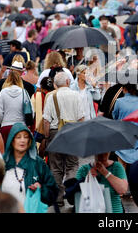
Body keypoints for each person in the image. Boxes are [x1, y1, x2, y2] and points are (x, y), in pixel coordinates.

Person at [42, 72, 84, 207]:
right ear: (67, 81)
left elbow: (46, 120)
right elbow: (81, 118)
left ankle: (58, 198)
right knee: (72, 165)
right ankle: (72, 195)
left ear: (55, 84)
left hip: (55, 133)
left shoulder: (51, 96)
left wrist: (47, 136)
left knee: (56, 167)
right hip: (72, 131)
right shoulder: (76, 95)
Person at [1, 123, 58, 207]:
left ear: (29, 140)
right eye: (18, 137)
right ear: (12, 140)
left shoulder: (38, 163)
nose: (22, 140)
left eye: (26, 137)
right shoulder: (3, 163)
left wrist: (41, 189)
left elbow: (53, 192)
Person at [112, 84, 138, 176]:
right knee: (137, 167)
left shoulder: (119, 101)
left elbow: (115, 116)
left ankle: (122, 187)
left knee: (121, 167)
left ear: (124, 89)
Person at [0, 68, 31, 143]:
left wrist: (4, 122)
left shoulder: (3, 92)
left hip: (6, 126)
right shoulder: (24, 92)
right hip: (21, 126)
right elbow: (31, 112)